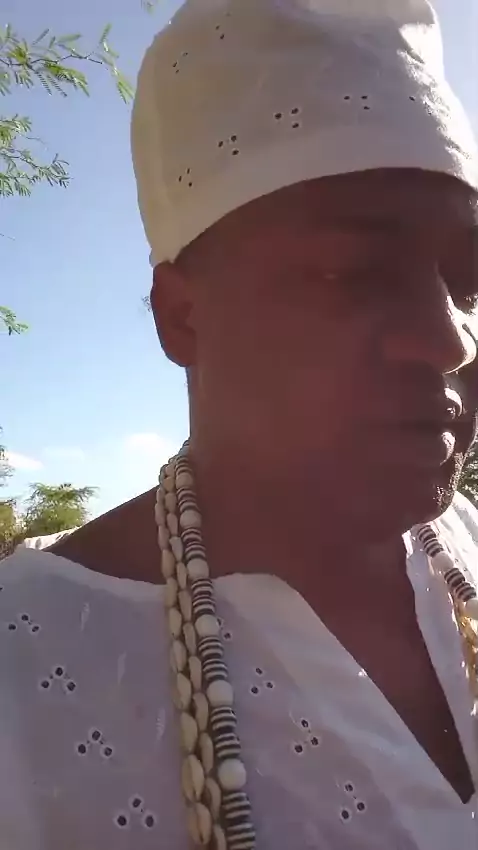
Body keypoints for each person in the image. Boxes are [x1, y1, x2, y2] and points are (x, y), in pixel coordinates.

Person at [1, 1, 477, 847]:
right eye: (350, 272)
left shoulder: (466, 545)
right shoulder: (28, 678)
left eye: (469, 283)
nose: (450, 341)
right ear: (182, 317)